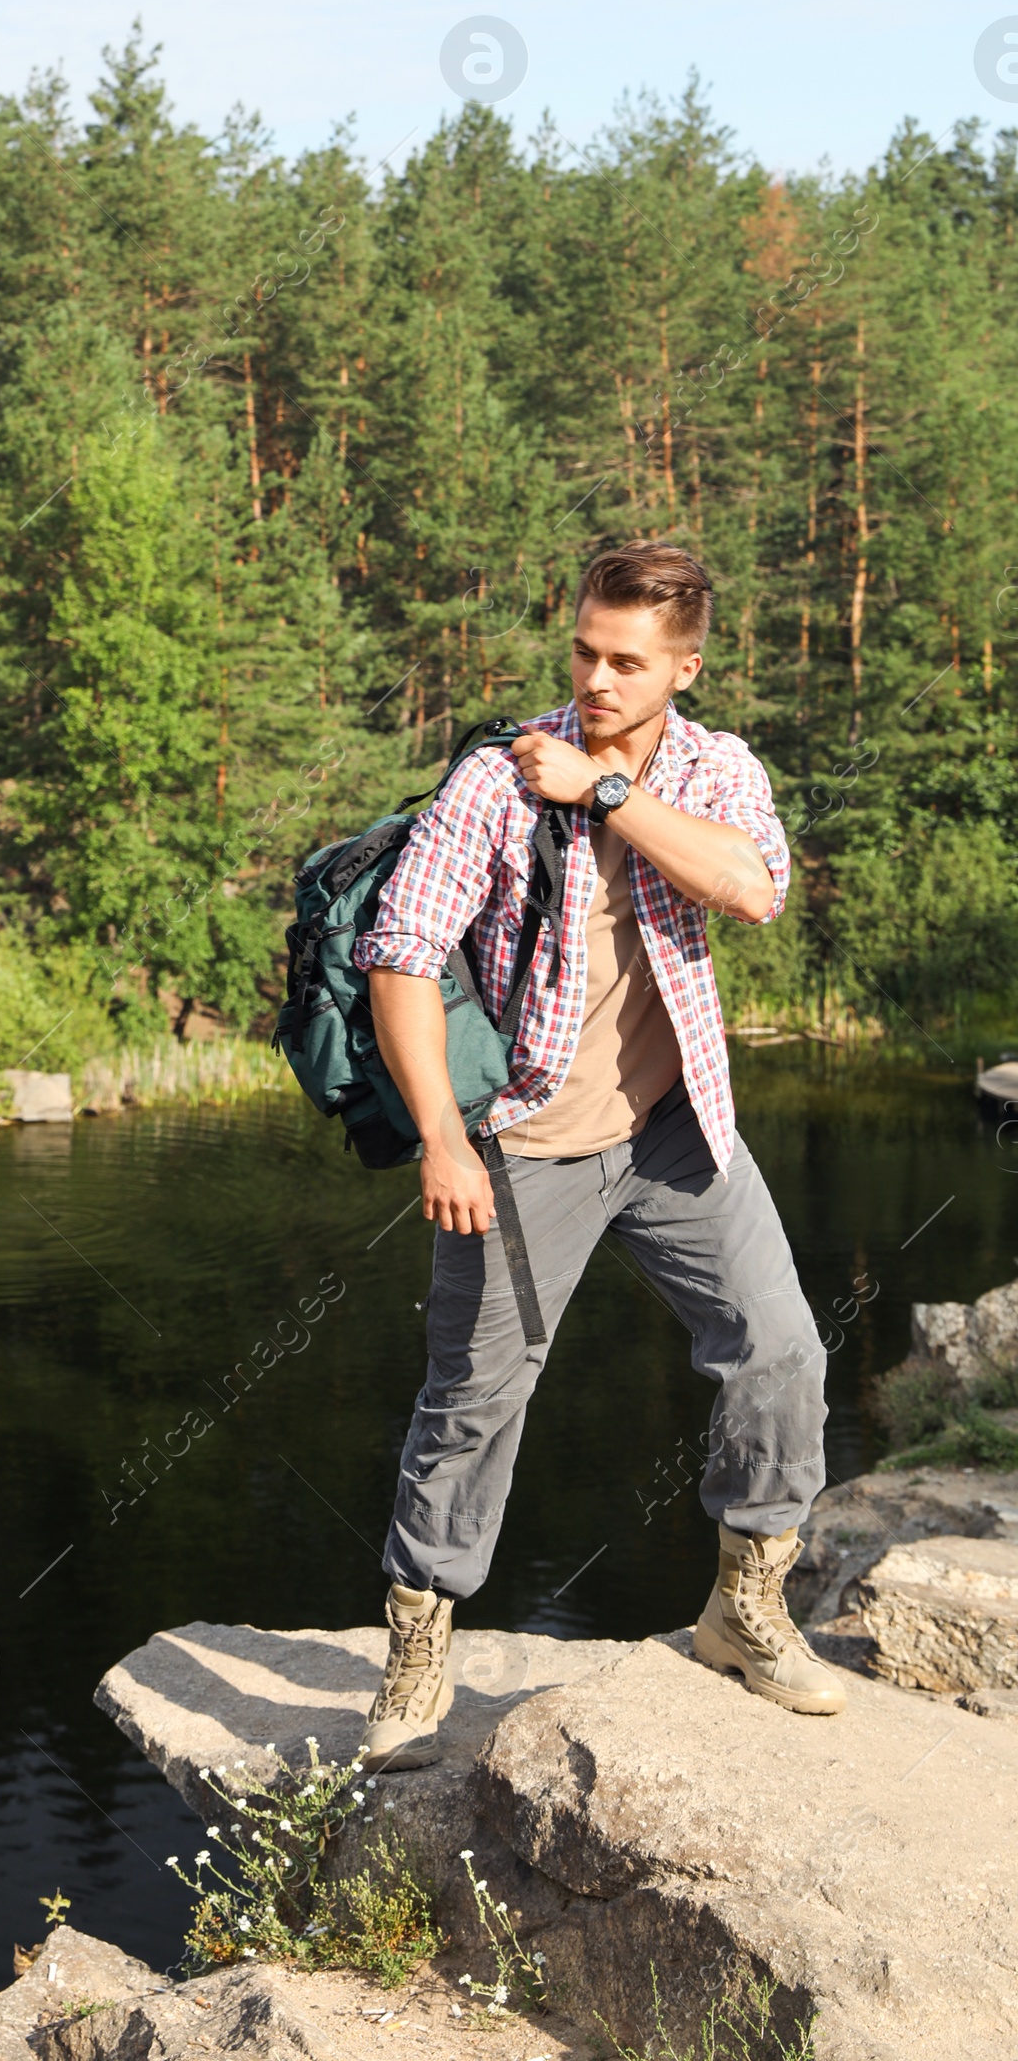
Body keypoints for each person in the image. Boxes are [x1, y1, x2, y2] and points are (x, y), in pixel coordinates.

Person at [352, 540, 842, 1768]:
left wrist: (608, 792)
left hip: (680, 1128)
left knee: (779, 1349)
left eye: (626, 659)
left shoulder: (715, 769)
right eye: (582, 649)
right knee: (473, 1404)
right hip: (524, 1143)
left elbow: (753, 890)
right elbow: (401, 951)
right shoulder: (494, 778)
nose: (596, 678)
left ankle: (744, 1604)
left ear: (684, 665)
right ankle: (417, 1644)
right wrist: (443, 1141)